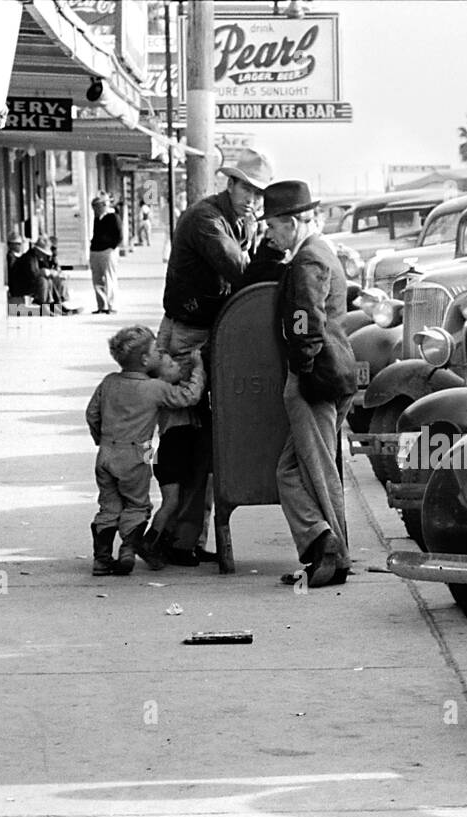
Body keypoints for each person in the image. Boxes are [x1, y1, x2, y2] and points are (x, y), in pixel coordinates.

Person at [156, 147, 275, 566]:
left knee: (209, 438)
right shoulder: (206, 220)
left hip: (209, 334)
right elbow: (240, 270)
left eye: (260, 194)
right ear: (231, 183)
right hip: (188, 336)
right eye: (248, 189)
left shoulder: (239, 222)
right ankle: (173, 536)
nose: (253, 200)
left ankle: (186, 537)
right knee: (187, 438)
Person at [263, 180, 358, 588]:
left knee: (316, 471)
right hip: (331, 372)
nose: (268, 235)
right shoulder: (322, 252)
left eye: (271, 227)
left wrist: (301, 365)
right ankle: (323, 543)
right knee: (294, 470)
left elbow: (305, 319)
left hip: (314, 376)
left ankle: (331, 552)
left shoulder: (306, 261)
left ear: (290, 223)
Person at [85, 326, 205, 576]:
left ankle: (101, 558)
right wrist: (198, 369)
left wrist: (101, 439)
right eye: (155, 351)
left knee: (108, 506)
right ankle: (127, 551)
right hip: (138, 453)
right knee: (137, 505)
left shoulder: (108, 382)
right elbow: (189, 397)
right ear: (144, 360)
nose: (159, 353)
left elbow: (92, 414)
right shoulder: (155, 388)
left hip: (106, 453)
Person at [140, 353, 198, 570]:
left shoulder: (165, 390)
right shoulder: (168, 393)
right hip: (171, 455)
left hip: (168, 455)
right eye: (171, 365)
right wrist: (198, 368)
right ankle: (148, 541)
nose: (177, 365)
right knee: (171, 503)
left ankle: (160, 542)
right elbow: (192, 394)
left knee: (175, 503)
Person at [9, 236, 79, 315]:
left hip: (27, 284)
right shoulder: (29, 258)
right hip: (20, 287)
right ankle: (43, 305)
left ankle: (57, 305)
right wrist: (43, 272)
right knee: (43, 281)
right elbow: (33, 274)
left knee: (49, 281)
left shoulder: (36, 257)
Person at [89, 194, 123, 314]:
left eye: (96, 207)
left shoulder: (113, 217)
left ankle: (112, 305)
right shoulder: (97, 219)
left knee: (109, 278)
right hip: (96, 250)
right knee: (97, 279)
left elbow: (119, 236)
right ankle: (101, 305)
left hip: (107, 251)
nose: (94, 210)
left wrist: (112, 247)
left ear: (103, 206)